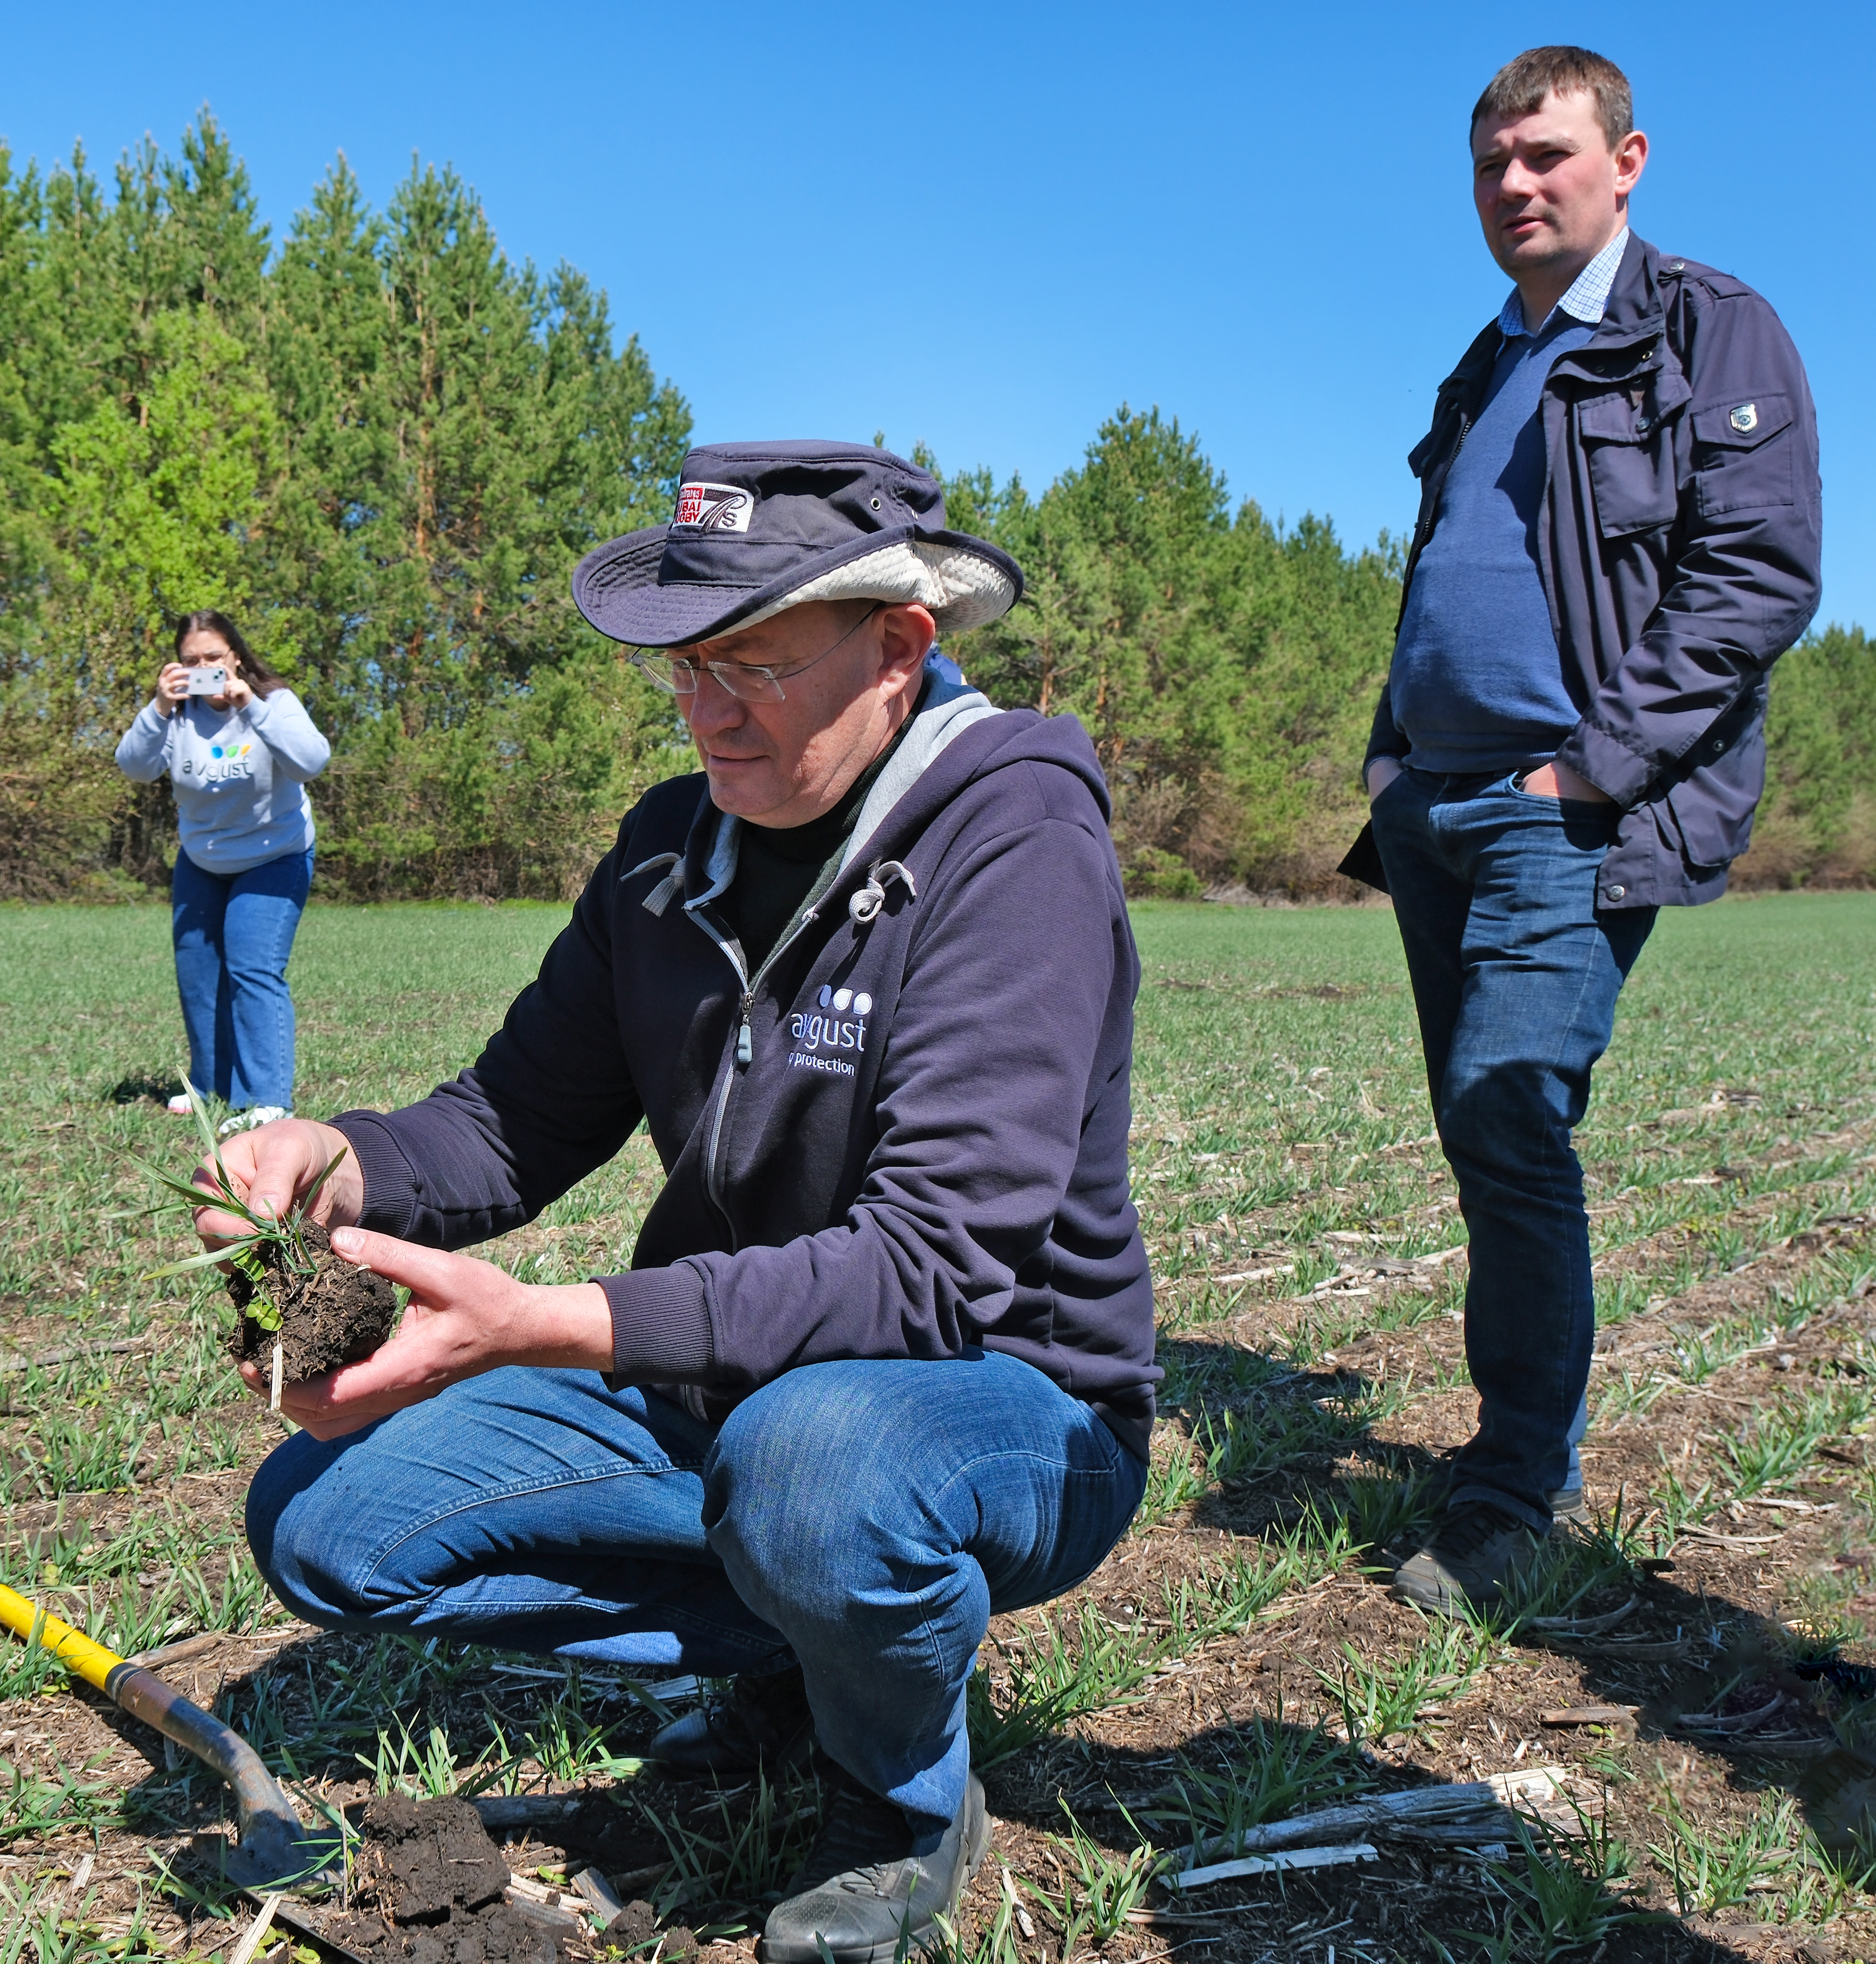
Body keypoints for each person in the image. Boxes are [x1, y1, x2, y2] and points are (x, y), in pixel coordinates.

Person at [191, 443, 1158, 1963]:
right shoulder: (667, 850)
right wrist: (337, 1164)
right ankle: (806, 1657)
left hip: (1003, 1399)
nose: (706, 713)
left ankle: (902, 1799)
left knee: (812, 1471)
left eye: (752, 668)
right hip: (725, 1386)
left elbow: (935, 1269)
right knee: (329, 1526)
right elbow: (508, 1124)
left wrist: (548, 1328)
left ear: (896, 649)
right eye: (686, 669)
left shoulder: (1012, 835)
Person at [1341, 47, 1820, 1613]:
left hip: (1566, 802)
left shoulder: (1704, 327)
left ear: (1627, 159)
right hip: (1437, 804)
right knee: (1484, 1134)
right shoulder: (1483, 364)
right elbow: (1443, 573)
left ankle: (1515, 1485)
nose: (1512, 187)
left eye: (1543, 156)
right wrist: (1391, 760)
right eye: (1489, 164)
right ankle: (1519, 1437)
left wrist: (1592, 771)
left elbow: (1755, 575)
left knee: (1505, 1097)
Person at [115, 611, 332, 1129]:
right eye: (191, 661)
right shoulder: (175, 715)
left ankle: (267, 1098)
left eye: (213, 657)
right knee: (197, 973)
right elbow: (134, 766)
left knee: (252, 966)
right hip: (203, 859)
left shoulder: (274, 702)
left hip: (274, 854)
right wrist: (159, 705)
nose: (203, 668)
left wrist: (250, 706)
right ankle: (209, 1084)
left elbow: (311, 761)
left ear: (235, 655)